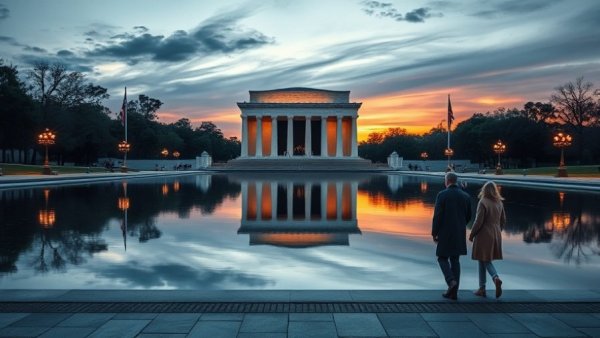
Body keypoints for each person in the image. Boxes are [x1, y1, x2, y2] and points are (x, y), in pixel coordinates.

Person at [432, 172, 472, 300]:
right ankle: (454, 292)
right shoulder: (465, 196)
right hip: (459, 232)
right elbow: (469, 216)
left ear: (447, 181)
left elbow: (438, 216)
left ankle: (451, 281)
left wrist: (435, 232)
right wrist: (460, 225)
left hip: (445, 232)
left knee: (442, 257)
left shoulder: (442, 195)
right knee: (455, 260)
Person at [469, 181, 506, 298]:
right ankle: (482, 288)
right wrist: (498, 230)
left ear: (484, 190)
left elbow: (478, 221)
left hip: (484, 233)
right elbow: (503, 220)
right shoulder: (499, 203)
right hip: (495, 233)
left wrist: (472, 234)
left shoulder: (483, 202)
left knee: (485, 260)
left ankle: (495, 278)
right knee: (482, 259)